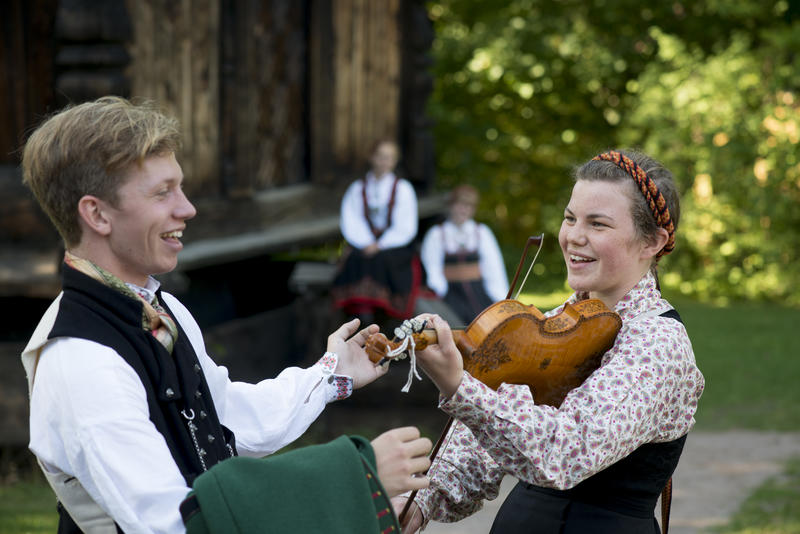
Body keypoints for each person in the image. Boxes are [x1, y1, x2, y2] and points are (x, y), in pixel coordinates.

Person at [19, 96, 431, 534]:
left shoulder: (162, 308)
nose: (187, 208)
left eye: (180, 187)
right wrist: (354, 481)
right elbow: (173, 523)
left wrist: (330, 375)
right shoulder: (82, 361)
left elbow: (227, 419)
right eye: (163, 192)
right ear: (96, 213)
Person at [397, 149, 705, 533]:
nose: (575, 236)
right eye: (570, 218)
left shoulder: (658, 344)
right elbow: (478, 453)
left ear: (652, 242)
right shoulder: (557, 323)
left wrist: (460, 386)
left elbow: (567, 452)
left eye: (598, 224)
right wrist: (422, 503)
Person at [331, 139, 422, 322]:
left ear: (394, 161)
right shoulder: (358, 188)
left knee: (383, 259)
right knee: (356, 258)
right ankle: (360, 311)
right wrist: (366, 242)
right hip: (363, 242)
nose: (384, 162)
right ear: (372, 157)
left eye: (389, 158)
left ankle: (385, 312)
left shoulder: (403, 189)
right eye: (380, 156)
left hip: (393, 244)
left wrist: (381, 244)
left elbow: (405, 226)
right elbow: (351, 220)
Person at [420, 185, 509, 324]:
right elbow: (432, 269)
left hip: (479, 294)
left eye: (468, 206)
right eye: (460, 205)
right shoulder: (437, 234)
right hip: (451, 295)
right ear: (451, 206)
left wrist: (500, 298)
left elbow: (493, 268)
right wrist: (439, 294)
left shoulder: (481, 232)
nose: (463, 210)